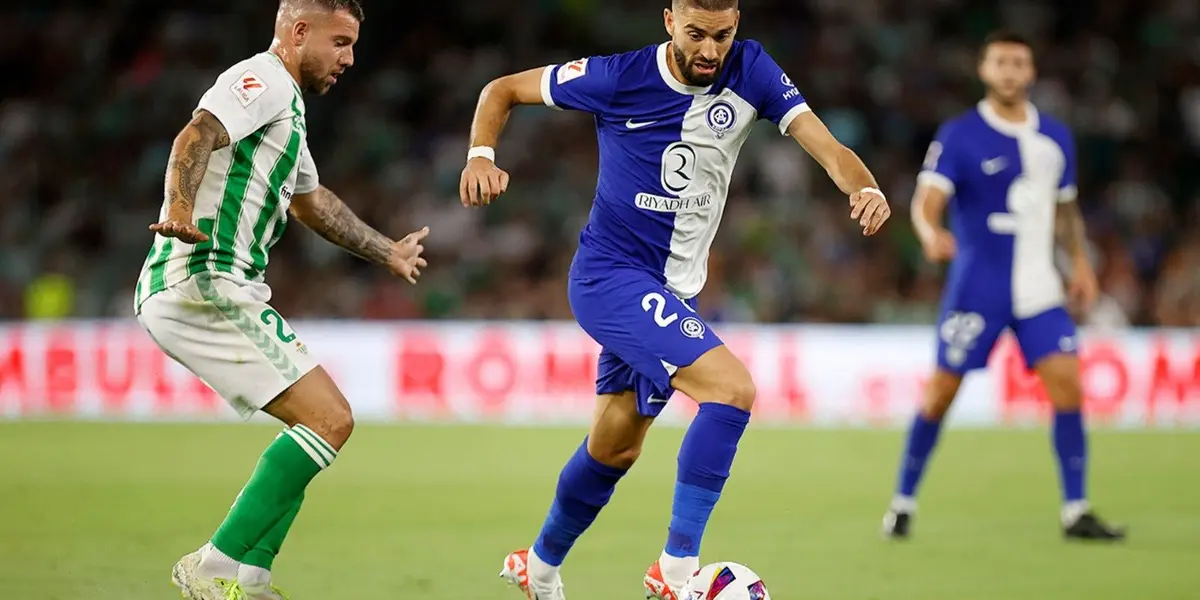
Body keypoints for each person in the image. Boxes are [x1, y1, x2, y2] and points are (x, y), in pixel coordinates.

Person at [460, 0, 891, 597]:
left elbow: (826, 146)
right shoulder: (616, 77)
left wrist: (863, 185)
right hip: (610, 277)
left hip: (672, 291)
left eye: (723, 35)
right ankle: (678, 570)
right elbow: (501, 90)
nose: (710, 51)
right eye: (696, 34)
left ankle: (538, 567)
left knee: (614, 447)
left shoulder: (753, 70)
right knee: (732, 391)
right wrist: (482, 154)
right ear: (669, 22)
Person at [134, 1, 430, 598]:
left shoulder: (287, 111)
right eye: (340, 42)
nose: (349, 58)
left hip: (217, 283)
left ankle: (253, 577)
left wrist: (388, 252)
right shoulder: (262, 81)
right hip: (202, 277)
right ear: (298, 32)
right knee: (331, 418)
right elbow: (197, 133)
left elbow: (309, 201)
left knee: (318, 424)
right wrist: (181, 208)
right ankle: (213, 567)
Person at [882, 30, 1125, 542]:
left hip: (1040, 288)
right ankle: (902, 502)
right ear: (984, 70)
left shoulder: (1056, 137)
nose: (1010, 71)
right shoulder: (959, 133)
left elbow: (1066, 208)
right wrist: (929, 233)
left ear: (1032, 72)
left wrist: (1080, 263)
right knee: (941, 393)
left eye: (1019, 62)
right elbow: (927, 198)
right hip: (978, 287)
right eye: (1001, 62)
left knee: (1069, 386)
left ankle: (1075, 510)